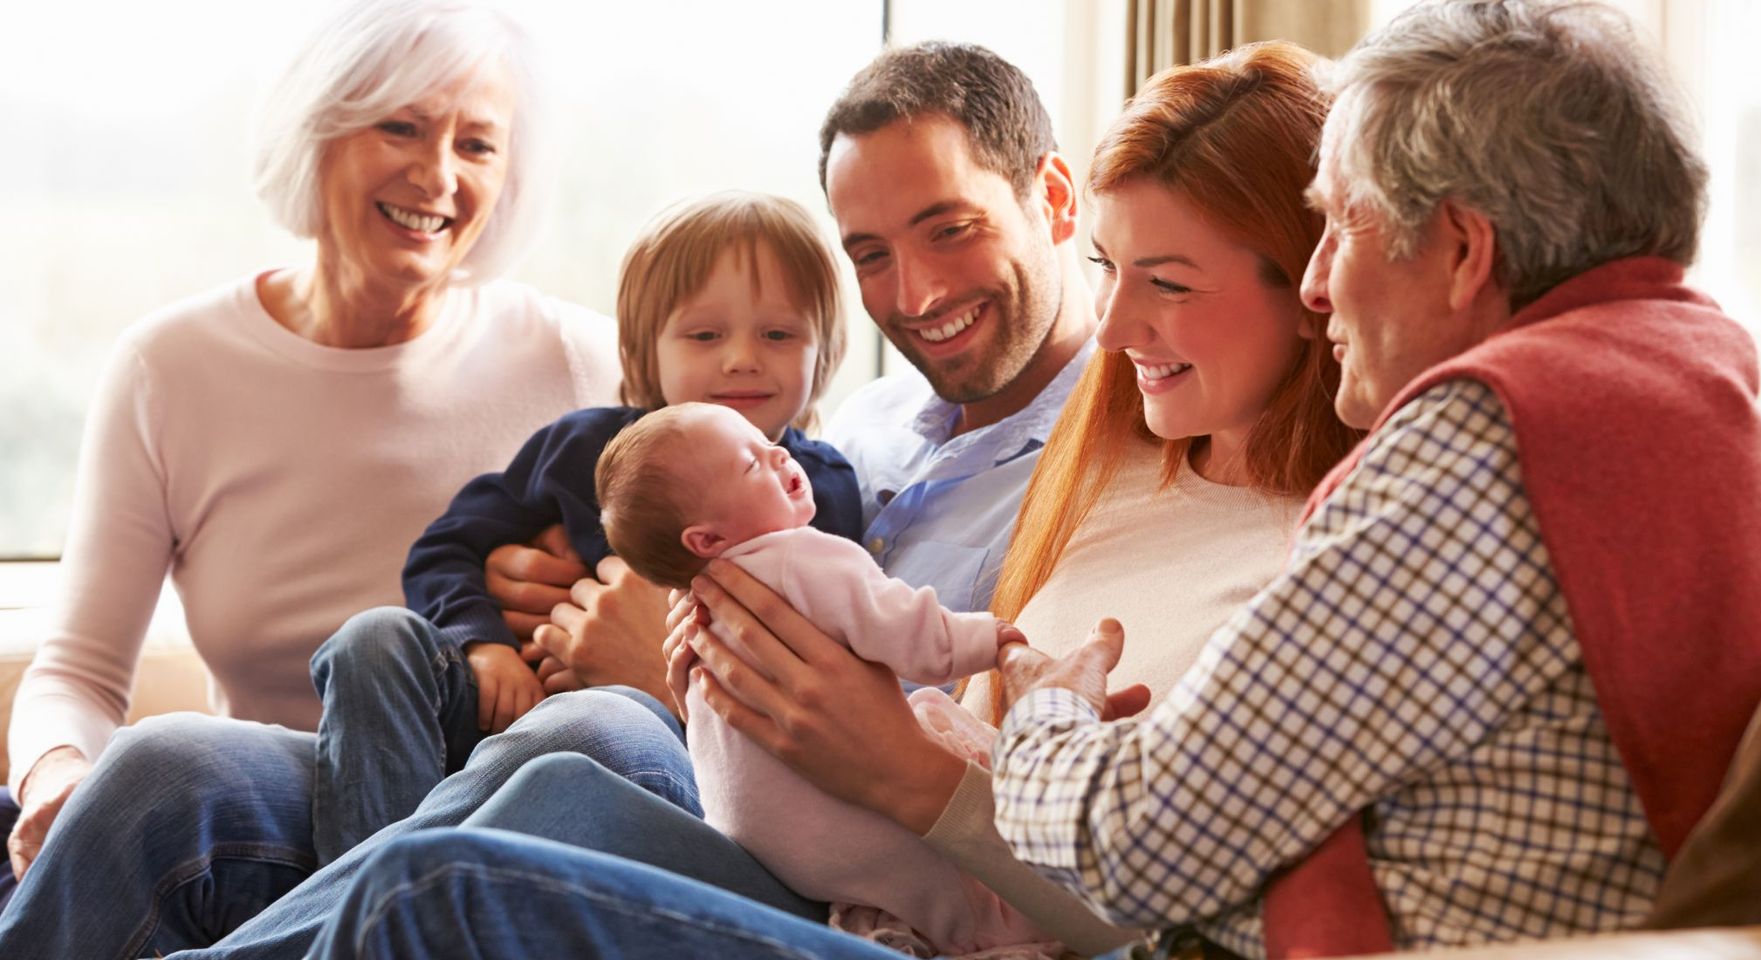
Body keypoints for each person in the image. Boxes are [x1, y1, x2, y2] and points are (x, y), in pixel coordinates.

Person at [0, 40, 1102, 960]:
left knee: (583, 732)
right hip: (467, 743)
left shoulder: (1063, 465)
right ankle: (335, 895)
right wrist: (488, 621)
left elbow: (912, 707)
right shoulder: (851, 423)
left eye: (475, 141)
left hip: (719, 784)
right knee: (166, 769)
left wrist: (656, 668)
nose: (911, 293)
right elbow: (510, 524)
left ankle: (338, 913)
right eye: (869, 251)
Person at [296, 39, 1362, 960]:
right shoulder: (1009, 449)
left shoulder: (1304, 553)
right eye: (870, 254)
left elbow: (1152, 896)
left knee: (503, 820)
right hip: (827, 833)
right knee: (191, 775)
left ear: (1317, 282)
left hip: (915, 887)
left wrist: (841, 745)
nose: (1119, 326)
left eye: (1166, 282)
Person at [987, 2, 1761, 957]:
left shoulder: (1483, 444)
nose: (1317, 283)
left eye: (1336, 227)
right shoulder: (1679, 383)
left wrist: (1045, 711)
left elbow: (1138, 844)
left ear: (1460, 250)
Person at [0, 0, 620, 902]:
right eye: (400, 126)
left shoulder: (580, 363)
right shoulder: (168, 369)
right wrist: (57, 774)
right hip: (260, 829)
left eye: (478, 145)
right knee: (161, 768)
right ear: (316, 131)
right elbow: (80, 673)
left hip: (497, 823)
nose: (437, 174)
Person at [305, 192, 863, 864]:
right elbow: (448, 546)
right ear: (643, 350)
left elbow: (824, 646)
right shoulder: (584, 449)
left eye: (778, 335)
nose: (742, 358)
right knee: (372, 638)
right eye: (705, 335)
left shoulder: (820, 488)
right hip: (498, 702)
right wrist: (484, 647)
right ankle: (364, 891)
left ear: (824, 351)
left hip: (647, 747)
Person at [599, 401, 1051, 956]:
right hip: (844, 825)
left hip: (755, 841)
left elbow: (711, 726)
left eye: (768, 442)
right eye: (750, 464)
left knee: (581, 730)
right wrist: (992, 639)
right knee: (944, 889)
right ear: (707, 540)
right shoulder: (802, 558)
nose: (780, 452)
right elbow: (908, 632)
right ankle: (990, 934)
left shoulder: (698, 609)